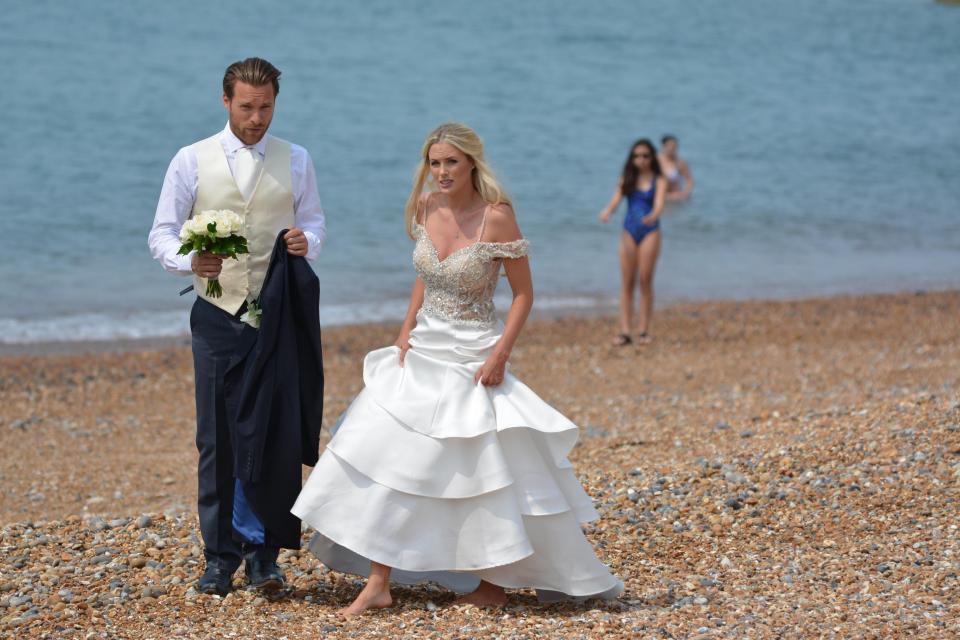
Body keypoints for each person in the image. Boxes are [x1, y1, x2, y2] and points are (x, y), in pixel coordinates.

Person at [292, 122, 623, 617]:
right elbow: (424, 277)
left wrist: (499, 356)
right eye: (434, 162)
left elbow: (524, 295)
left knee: (485, 471)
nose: (441, 172)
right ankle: (379, 581)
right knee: (390, 458)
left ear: (471, 162)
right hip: (422, 351)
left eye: (450, 162)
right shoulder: (425, 207)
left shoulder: (497, 217)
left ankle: (492, 582)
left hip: (472, 357)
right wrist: (404, 329)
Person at [147, 57, 327, 596]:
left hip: (277, 315)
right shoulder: (190, 160)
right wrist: (188, 260)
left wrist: (306, 242)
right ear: (225, 101)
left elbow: (314, 222)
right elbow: (160, 233)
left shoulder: (296, 160)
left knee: (274, 433)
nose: (257, 117)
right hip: (217, 317)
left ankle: (265, 557)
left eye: (266, 107)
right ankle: (219, 557)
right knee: (217, 440)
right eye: (247, 107)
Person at [599, 139, 667, 346]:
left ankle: (644, 330)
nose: (641, 160)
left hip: (650, 231)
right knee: (627, 282)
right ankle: (625, 331)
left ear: (652, 157)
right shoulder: (627, 178)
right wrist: (608, 211)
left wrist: (654, 215)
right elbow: (616, 199)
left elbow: (659, 204)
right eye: (637, 156)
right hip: (629, 231)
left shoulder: (658, 179)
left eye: (646, 155)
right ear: (632, 158)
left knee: (645, 280)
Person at [659, 135, 694, 201]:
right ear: (663, 146)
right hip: (661, 197)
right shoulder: (656, 161)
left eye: (674, 146)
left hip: (675, 197)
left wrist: (685, 193)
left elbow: (689, 180)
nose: (672, 148)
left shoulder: (679, 163)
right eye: (670, 145)